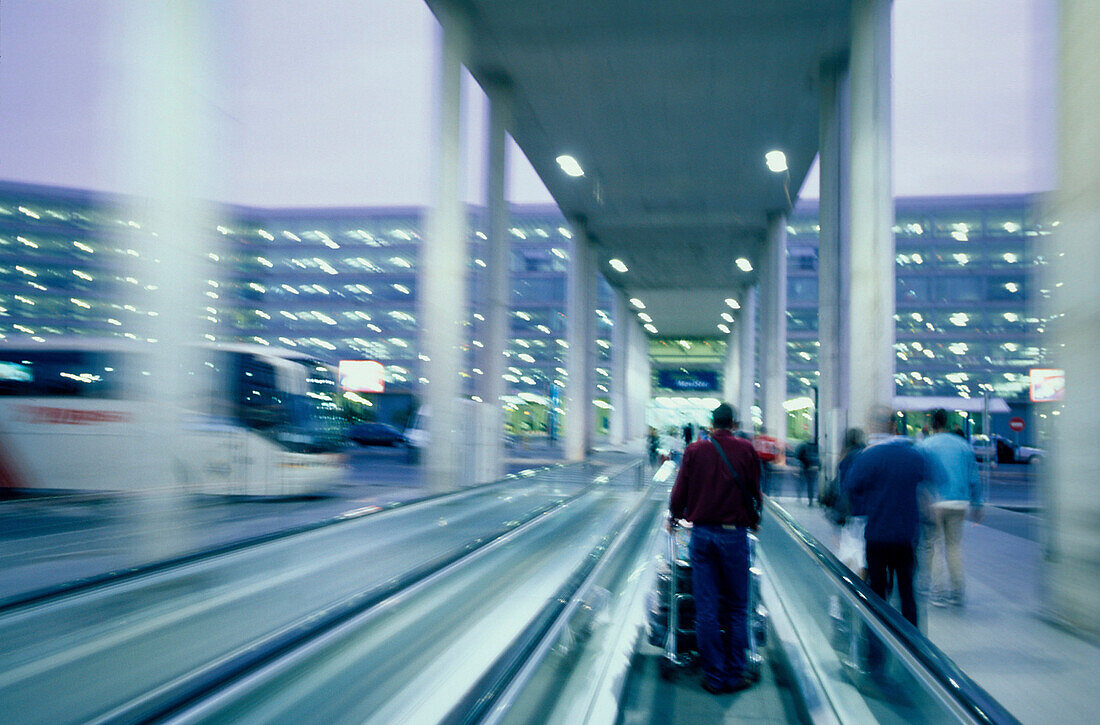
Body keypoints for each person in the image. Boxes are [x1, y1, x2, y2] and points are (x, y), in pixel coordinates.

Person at [669, 403, 763, 695]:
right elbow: (755, 490)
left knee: (706, 608)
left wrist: (673, 516)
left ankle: (714, 676)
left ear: (712, 424)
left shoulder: (696, 450)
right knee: (737, 607)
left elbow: (680, 490)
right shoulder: (746, 450)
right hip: (734, 536)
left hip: (703, 535)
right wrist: (756, 520)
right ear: (734, 424)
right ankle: (735, 674)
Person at [844, 408, 931, 629]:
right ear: (894, 427)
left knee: (877, 590)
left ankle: (877, 642)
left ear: (873, 428)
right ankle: (913, 642)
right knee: (907, 591)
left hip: (877, 533)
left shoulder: (868, 457)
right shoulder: (913, 456)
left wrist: (867, 505)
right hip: (906, 535)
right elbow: (926, 482)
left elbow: (851, 488)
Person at [918, 408, 983, 607]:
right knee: (954, 546)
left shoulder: (925, 445)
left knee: (935, 545)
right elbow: (974, 476)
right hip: (959, 502)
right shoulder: (963, 445)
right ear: (947, 422)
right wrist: (977, 503)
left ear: (932, 424)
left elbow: (919, 476)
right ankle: (957, 591)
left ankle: (939, 592)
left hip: (934, 502)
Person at [795, 439, 819, 506]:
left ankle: (799, 496)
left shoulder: (803, 446)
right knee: (811, 485)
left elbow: (798, 456)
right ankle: (810, 500)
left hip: (805, 467)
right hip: (813, 468)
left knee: (801, 482)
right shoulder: (817, 447)